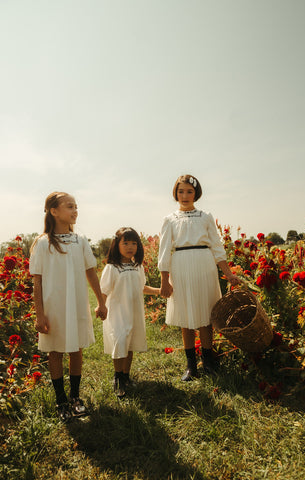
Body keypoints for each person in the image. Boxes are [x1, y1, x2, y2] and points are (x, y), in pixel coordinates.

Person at [29, 191, 107, 421]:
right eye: (69, 206)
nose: (75, 210)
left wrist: (101, 301)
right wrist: (39, 314)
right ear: (54, 211)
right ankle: (60, 400)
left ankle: (75, 397)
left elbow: (91, 272)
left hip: (76, 303)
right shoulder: (42, 244)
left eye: (76, 206)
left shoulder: (80, 241)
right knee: (55, 351)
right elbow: (38, 280)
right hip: (53, 307)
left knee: (76, 348)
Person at [158, 174, 241, 381]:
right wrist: (164, 280)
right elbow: (164, 250)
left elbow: (216, 245)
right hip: (181, 265)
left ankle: (209, 363)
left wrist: (228, 273)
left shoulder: (205, 216)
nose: (185, 195)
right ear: (175, 193)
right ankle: (190, 366)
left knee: (206, 317)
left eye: (189, 191)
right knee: (186, 318)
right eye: (181, 191)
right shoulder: (169, 220)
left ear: (196, 193)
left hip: (204, 265)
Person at [100, 227, 160, 398]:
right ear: (116, 245)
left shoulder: (137, 266)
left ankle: (126, 375)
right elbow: (104, 290)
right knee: (120, 340)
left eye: (134, 243)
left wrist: (159, 290)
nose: (130, 247)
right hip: (118, 312)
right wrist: (101, 305)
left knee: (130, 342)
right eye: (125, 243)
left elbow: (142, 287)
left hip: (134, 310)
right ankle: (118, 378)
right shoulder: (112, 268)